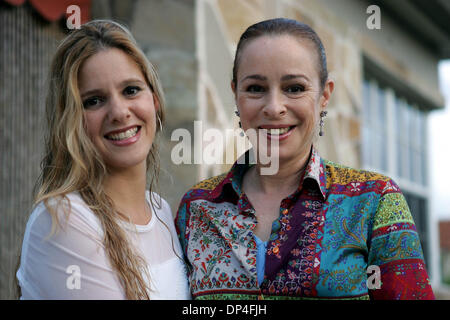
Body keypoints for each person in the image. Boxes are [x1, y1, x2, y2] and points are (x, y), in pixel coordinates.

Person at [175, 18, 434, 300]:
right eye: (255, 89)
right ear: (236, 94)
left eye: (295, 88)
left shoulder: (374, 202)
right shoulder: (196, 208)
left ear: (324, 95)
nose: (274, 107)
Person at [16, 20, 190, 300]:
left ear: (154, 100)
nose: (120, 112)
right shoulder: (64, 218)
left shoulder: (162, 212)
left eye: (131, 90)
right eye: (93, 101)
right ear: (70, 120)